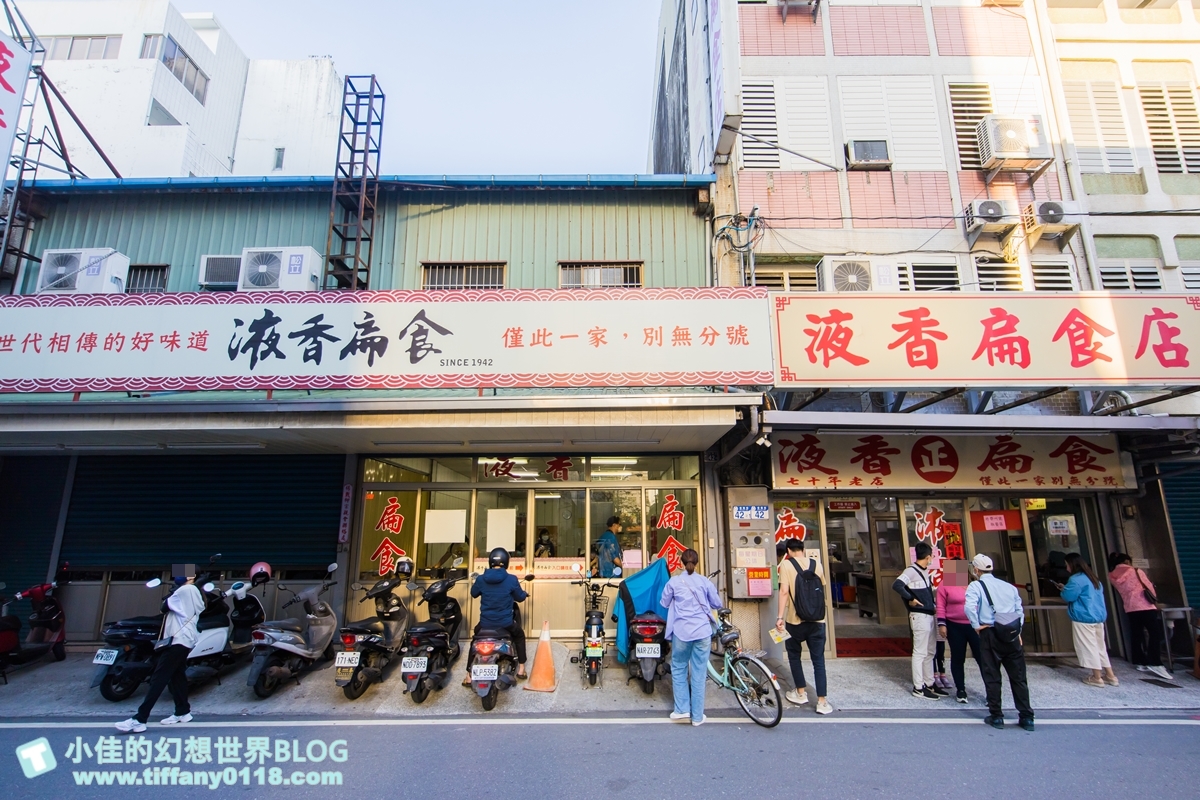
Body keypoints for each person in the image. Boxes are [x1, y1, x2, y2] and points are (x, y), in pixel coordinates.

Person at [116, 566, 206, 733]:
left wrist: (173, 591)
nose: (178, 575)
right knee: (177, 676)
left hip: (177, 640)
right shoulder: (196, 592)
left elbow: (163, 607)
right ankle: (183, 712)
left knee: (159, 677)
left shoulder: (184, 590)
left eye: (182, 572)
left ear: (192, 576)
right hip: (185, 639)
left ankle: (140, 718)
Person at [964, 553, 1034, 731]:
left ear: (976, 570)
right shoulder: (1009, 586)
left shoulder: (976, 585)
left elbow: (969, 607)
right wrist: (1017, 630)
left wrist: (976, 625)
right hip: (1011, 633)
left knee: (992, 675)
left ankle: (996, 716)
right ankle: (1026, 717)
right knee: (1018, 677)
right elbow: (1019, 610)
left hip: (990, 632)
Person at [660, 548, 721, 726]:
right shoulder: (704, 582)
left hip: (682, 632)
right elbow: (717, 603)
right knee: (699, 672)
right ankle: (697, 716)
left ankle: (682, 710)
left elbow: (663, 602)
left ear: (680, 563)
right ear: (697, 562)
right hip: (703, 632)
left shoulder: (674, 582)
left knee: (679, 668)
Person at [775, 538, 833, 715]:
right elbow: (821, 589)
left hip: (795, 620)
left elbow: (784, 592)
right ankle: (822, 701)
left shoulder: (786, 565)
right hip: (817, 620)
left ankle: (801, 692)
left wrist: (779, 617)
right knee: (819, 661)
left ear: (788, 551)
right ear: (803, 549)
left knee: (794, 656)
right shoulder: (817, 564)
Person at [464, 547, 528, 685]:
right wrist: (524, 594)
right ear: (506, 562)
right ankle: (521, 669)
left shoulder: (481, 579)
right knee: (519, 636)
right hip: (505, 623)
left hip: (485, 623)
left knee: (475, 640)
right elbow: (520, 597)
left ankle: (468, 675)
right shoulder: (511, 579)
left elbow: (474, 593)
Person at [1108, 552, 1172, 681]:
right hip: (1145, 606)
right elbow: (1149, 587)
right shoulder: (1135, 571)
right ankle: (1154, 661)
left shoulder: (1112, 575)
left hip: (1130, 607)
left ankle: (1139, 661)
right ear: (1127, 561)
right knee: (1155, 633)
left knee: (1136, 633)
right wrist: (1155, 601)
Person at [1057, 553, 1117, 688]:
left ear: (1072, 565)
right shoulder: (1094, 579)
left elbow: (1069, 597)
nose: (1066, 568)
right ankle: (1110, 675)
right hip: (1098, 617)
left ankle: (1097, 677)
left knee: (1089, 647)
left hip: (1083, 617)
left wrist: (1063, 590)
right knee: (1100, 647)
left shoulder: (1076, 579)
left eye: (1067, 564)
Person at [893, 541, 943, 699]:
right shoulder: (911, 571)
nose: (932, 559)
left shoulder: (925, 571)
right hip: (919, 615)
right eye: (931, 556)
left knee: (929, 651)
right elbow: (897, 585)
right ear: (928, 556)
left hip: (929, 614)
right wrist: (911, 598)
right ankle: (918, 687)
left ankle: (929, 683)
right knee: (920, 652)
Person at [936, 558, 983, 703]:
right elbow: (940, 606)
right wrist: (942, 624)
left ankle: (991, 690)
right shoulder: (945, 585)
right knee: (958, 658)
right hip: (954, 625)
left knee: (983, 658)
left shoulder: (975, 584)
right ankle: (961, 690)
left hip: (976, 626)